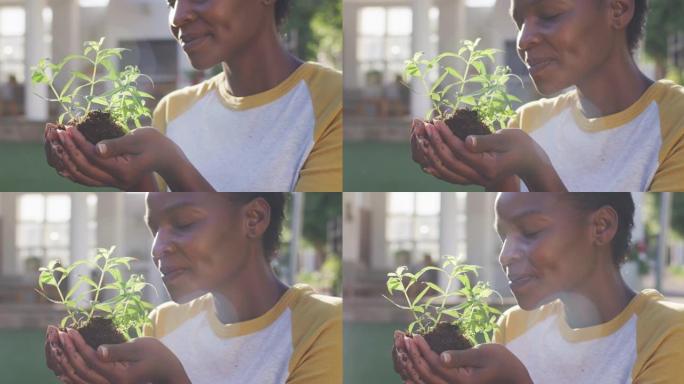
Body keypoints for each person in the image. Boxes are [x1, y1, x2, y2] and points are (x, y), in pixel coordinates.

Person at [45, 193, 342, 384]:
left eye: (183, 223)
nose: (158, 248)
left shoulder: (326, 326)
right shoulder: (166, 323)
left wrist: (173, 378)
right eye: (154, 230)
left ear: (254, 219)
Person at [46, 0, 342, 192]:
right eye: (170, 1)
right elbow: (177, 223)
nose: (177, 17)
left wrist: (173, 164)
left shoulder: (333, 102)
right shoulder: (174, 110)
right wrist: (133, 178)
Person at [393, 193, 684, 383]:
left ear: (601, 226)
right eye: (503, 237)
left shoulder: (668, 334)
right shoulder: (516, 326)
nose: (505, 255)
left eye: (530, 232)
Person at [411, 0, 684, 192]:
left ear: (618, 9)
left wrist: (535, 169)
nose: (523, 39)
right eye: (519, 23)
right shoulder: (528, 122)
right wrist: (498, 181)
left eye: (550, 14)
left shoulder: (675, 122)